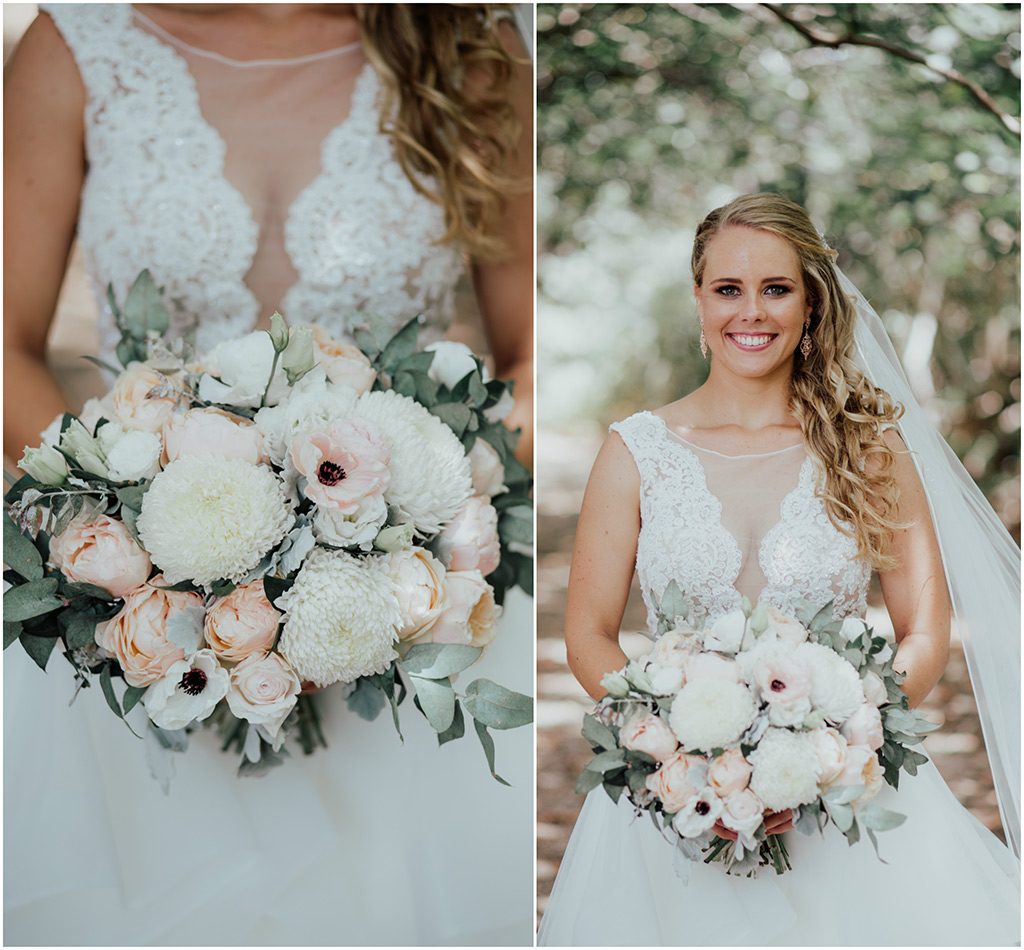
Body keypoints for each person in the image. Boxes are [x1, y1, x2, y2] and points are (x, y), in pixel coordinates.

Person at [3, 4, 533, 945]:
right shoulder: (76, 45)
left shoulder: (470, 49)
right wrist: (126, 534)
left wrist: (405, 533)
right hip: (131, 624)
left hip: (409, 617)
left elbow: (529, 353)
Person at [538, 193, 1020, 946]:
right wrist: (678, 745)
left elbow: (923, 627)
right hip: (678, 799)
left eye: (776, 288)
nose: (750, 312)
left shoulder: (871, 448)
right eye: (728, 289)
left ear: (810, 302)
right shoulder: (636, 451)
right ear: (698, 299)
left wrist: (847, 738)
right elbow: (589, 636)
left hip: (843, 792)